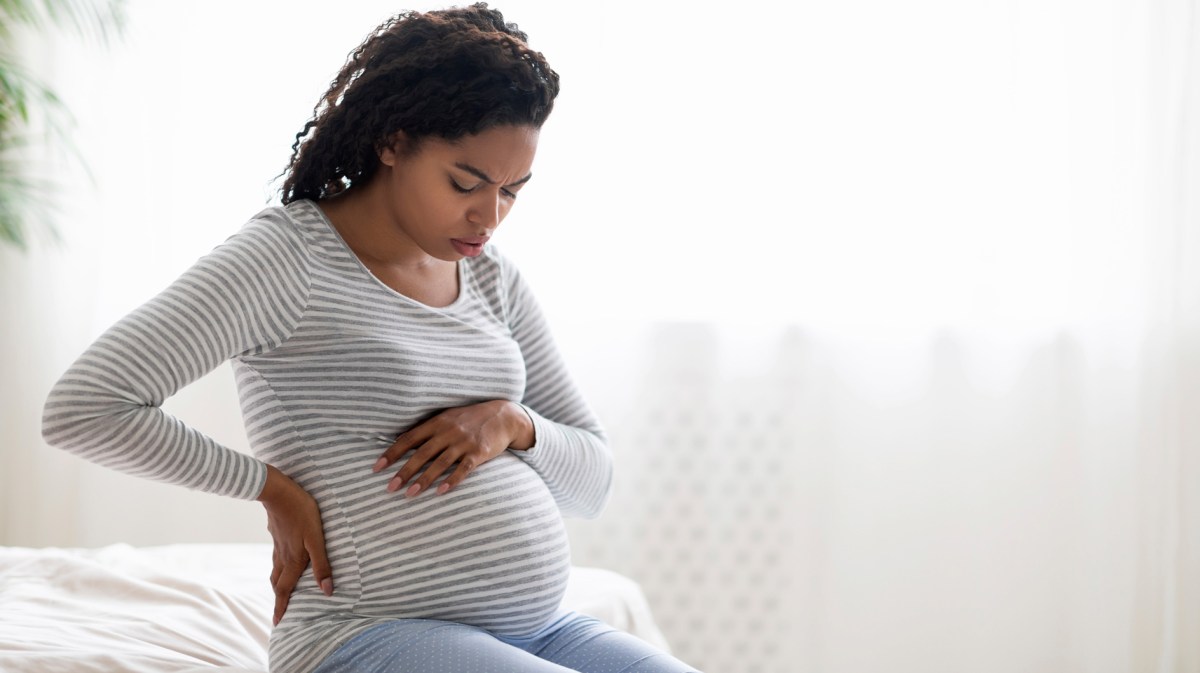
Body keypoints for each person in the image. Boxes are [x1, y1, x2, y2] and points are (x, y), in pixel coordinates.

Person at [41, 4, 701, 673]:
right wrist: (270, 486)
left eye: (512, 191)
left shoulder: (492, 276)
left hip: (536, 629)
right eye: (465, 183)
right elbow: (85, 407)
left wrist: (512, 421)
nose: (489, 216)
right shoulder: (287, 258)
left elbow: (592, 480)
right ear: (393, 142)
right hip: (366, 630)